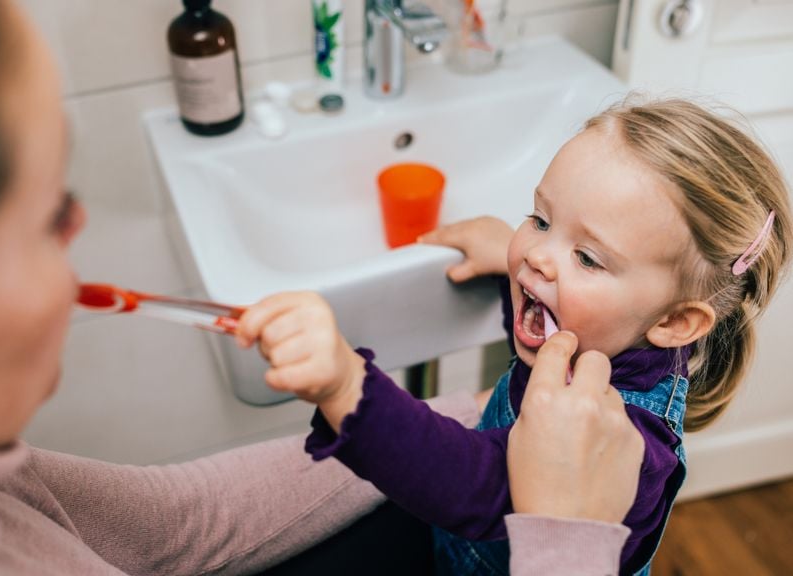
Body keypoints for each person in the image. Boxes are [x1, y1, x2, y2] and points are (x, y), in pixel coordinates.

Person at [0, 1, 645, 574]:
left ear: (676, 321)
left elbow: (167, 525)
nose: (81, 223)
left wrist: (402, 403)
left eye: (585, 253)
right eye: (49, 210)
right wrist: (569, 544)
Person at [237, 98, 793, 574]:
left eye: (587, 257)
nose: (535, 254)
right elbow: (548, 340)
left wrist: (344, 387)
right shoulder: (607, 328)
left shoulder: (630, 451)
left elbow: (468, 480)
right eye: (542, 219)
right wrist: (510, 271)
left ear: (674, 322)